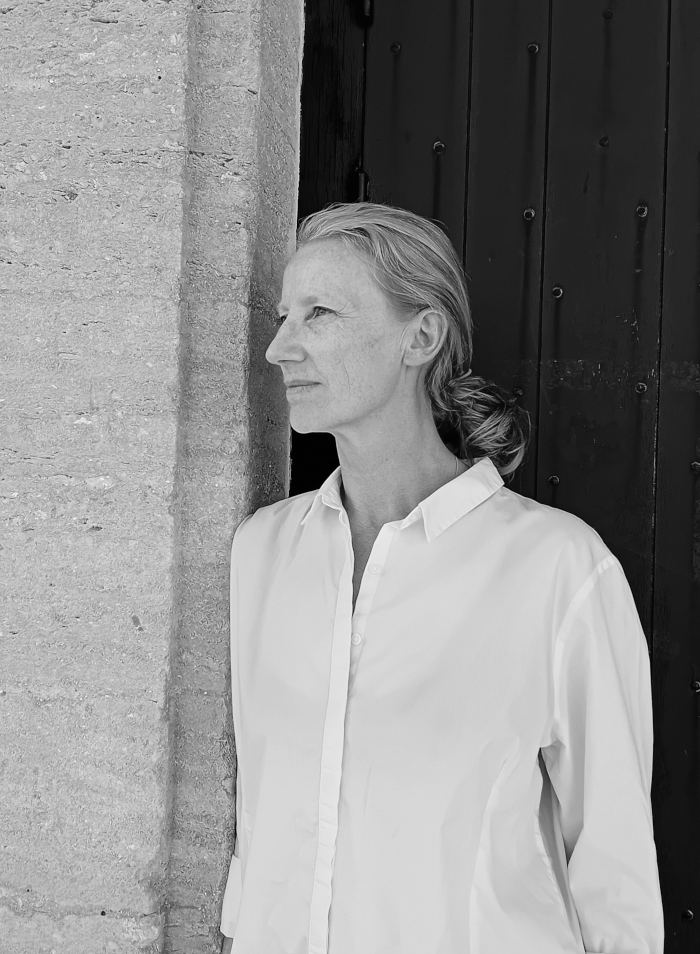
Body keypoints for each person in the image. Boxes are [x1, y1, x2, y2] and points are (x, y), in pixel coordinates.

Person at [219, 202, 664, 953]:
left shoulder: (557, 569)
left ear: (421, 336)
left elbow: (616, 879)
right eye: (283, 316)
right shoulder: (260, 553)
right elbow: (260, 835)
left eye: (319, 313)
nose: (277, 348)